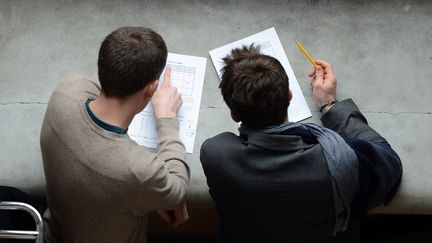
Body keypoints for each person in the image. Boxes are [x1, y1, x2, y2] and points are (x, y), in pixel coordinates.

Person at [200, 45, 402, 243]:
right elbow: (390, 163)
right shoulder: (343, 159)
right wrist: (329, 105)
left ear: (234, 114)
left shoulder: (216, 155)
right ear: (289, 95)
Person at [40, 27, 190, 243]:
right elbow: (178, 191)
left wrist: (148, 193)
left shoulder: (66, 91)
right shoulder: (138, 171)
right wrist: (166, 119)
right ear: (152, 89)